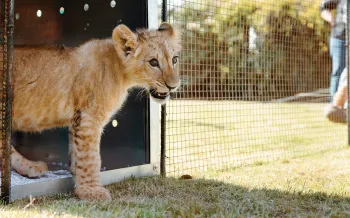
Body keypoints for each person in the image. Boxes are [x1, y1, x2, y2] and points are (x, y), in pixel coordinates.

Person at [320, 0, 346, 103]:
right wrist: (332, 20)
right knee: (338, 71)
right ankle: (334, 106)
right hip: (339, 37)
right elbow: (323, 7)